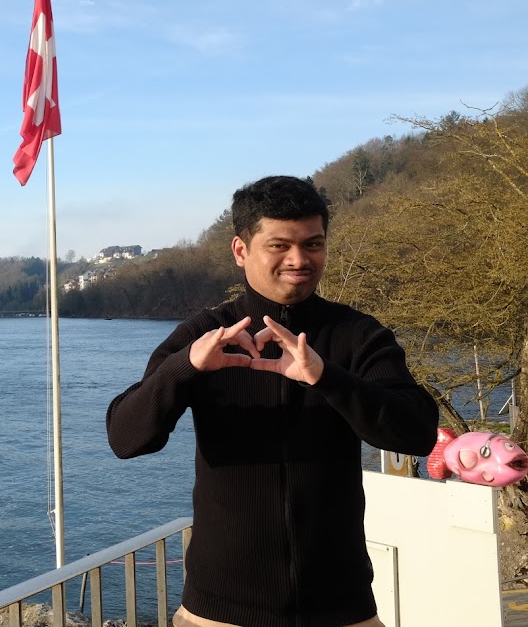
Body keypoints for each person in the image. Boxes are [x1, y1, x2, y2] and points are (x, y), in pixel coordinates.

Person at [105, 175, 438, 627]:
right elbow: (126, 438)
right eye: (279, 245)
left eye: (313, 244)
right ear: (241, 250)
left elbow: (417, 431)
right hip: (217, 612)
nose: (299, 260)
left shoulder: (358, 335)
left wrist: (326, 377)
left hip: (341, 609)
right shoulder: (206, 336)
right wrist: (185, 369)